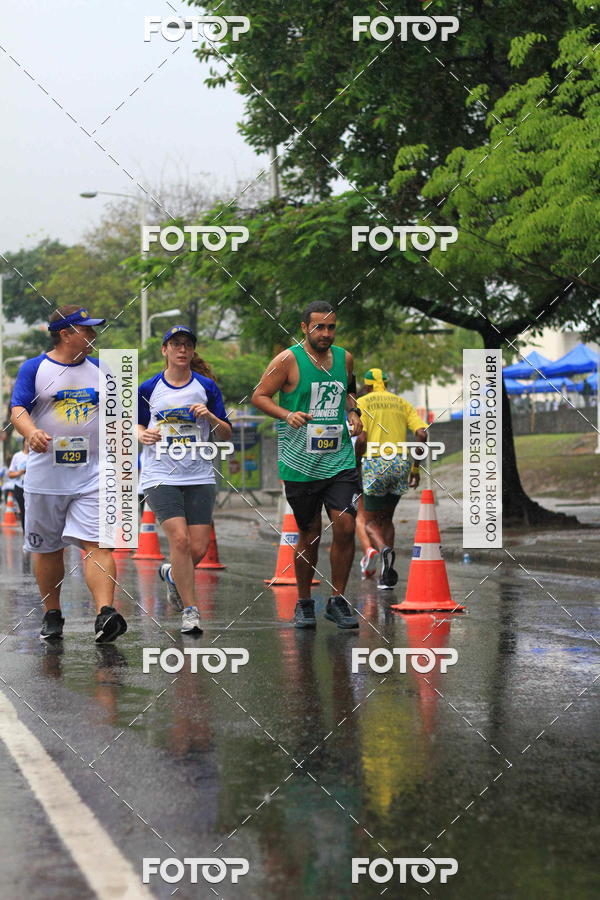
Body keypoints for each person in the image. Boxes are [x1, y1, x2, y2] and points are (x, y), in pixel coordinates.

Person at [10, 304, 127, 642]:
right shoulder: (35, 368)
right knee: (48, 549)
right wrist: (31, 431)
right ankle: (52, 613)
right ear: (65, 334)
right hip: (47, 477)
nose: (92, 335)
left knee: (99, 544)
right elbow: (17, 409)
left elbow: (119, 417)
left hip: (93, 474)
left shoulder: (103, 370)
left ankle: (105, 613)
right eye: (86, 329)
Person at [251, 301, 363, 629]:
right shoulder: (287, 360)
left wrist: (353, 411)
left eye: (331, 327)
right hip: (300, 463)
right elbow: (259, 396)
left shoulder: (344, 358)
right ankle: (304, 602)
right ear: (305, 328)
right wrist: (287, 414)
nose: (326, 333)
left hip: (339, 459)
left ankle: (338, 600)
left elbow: (349, 390)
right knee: (310, 533)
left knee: (345, 526)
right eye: (319, 327)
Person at [137, 325, 232, 635]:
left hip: (199, 474)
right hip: (160, 474)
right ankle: (191, 611)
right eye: (176, 344)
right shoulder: (149, 388)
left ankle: (170, 573)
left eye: (187, 345)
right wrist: (142, 434)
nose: (182, 350)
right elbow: (133, 424)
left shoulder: (206, 387)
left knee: (199, 548)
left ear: (192, 351)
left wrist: (210, 417)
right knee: (179, 540)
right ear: (164, 350)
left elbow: (226, 433)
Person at [355, 368, 427, 589]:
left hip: (375, 463)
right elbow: (422, 433)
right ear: (385, 383)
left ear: (367, 386)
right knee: (387, 519)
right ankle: (386, 577)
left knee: (369, 522)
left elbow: (361, 439)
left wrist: (356, 465)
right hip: (400, 463)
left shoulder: (362, 403)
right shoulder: (402, 403)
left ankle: (383, 549)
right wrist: (415, 468)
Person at [8, 438, 29, 530]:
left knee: (33, 513)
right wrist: (19, 472)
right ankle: (26, 534)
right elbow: (10, 474)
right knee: (23, 511)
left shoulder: (37, 456)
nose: (29, 443)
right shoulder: (17, 456)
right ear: (24, 443)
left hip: (33, 488)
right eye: (27, 441)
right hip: (20, 488)